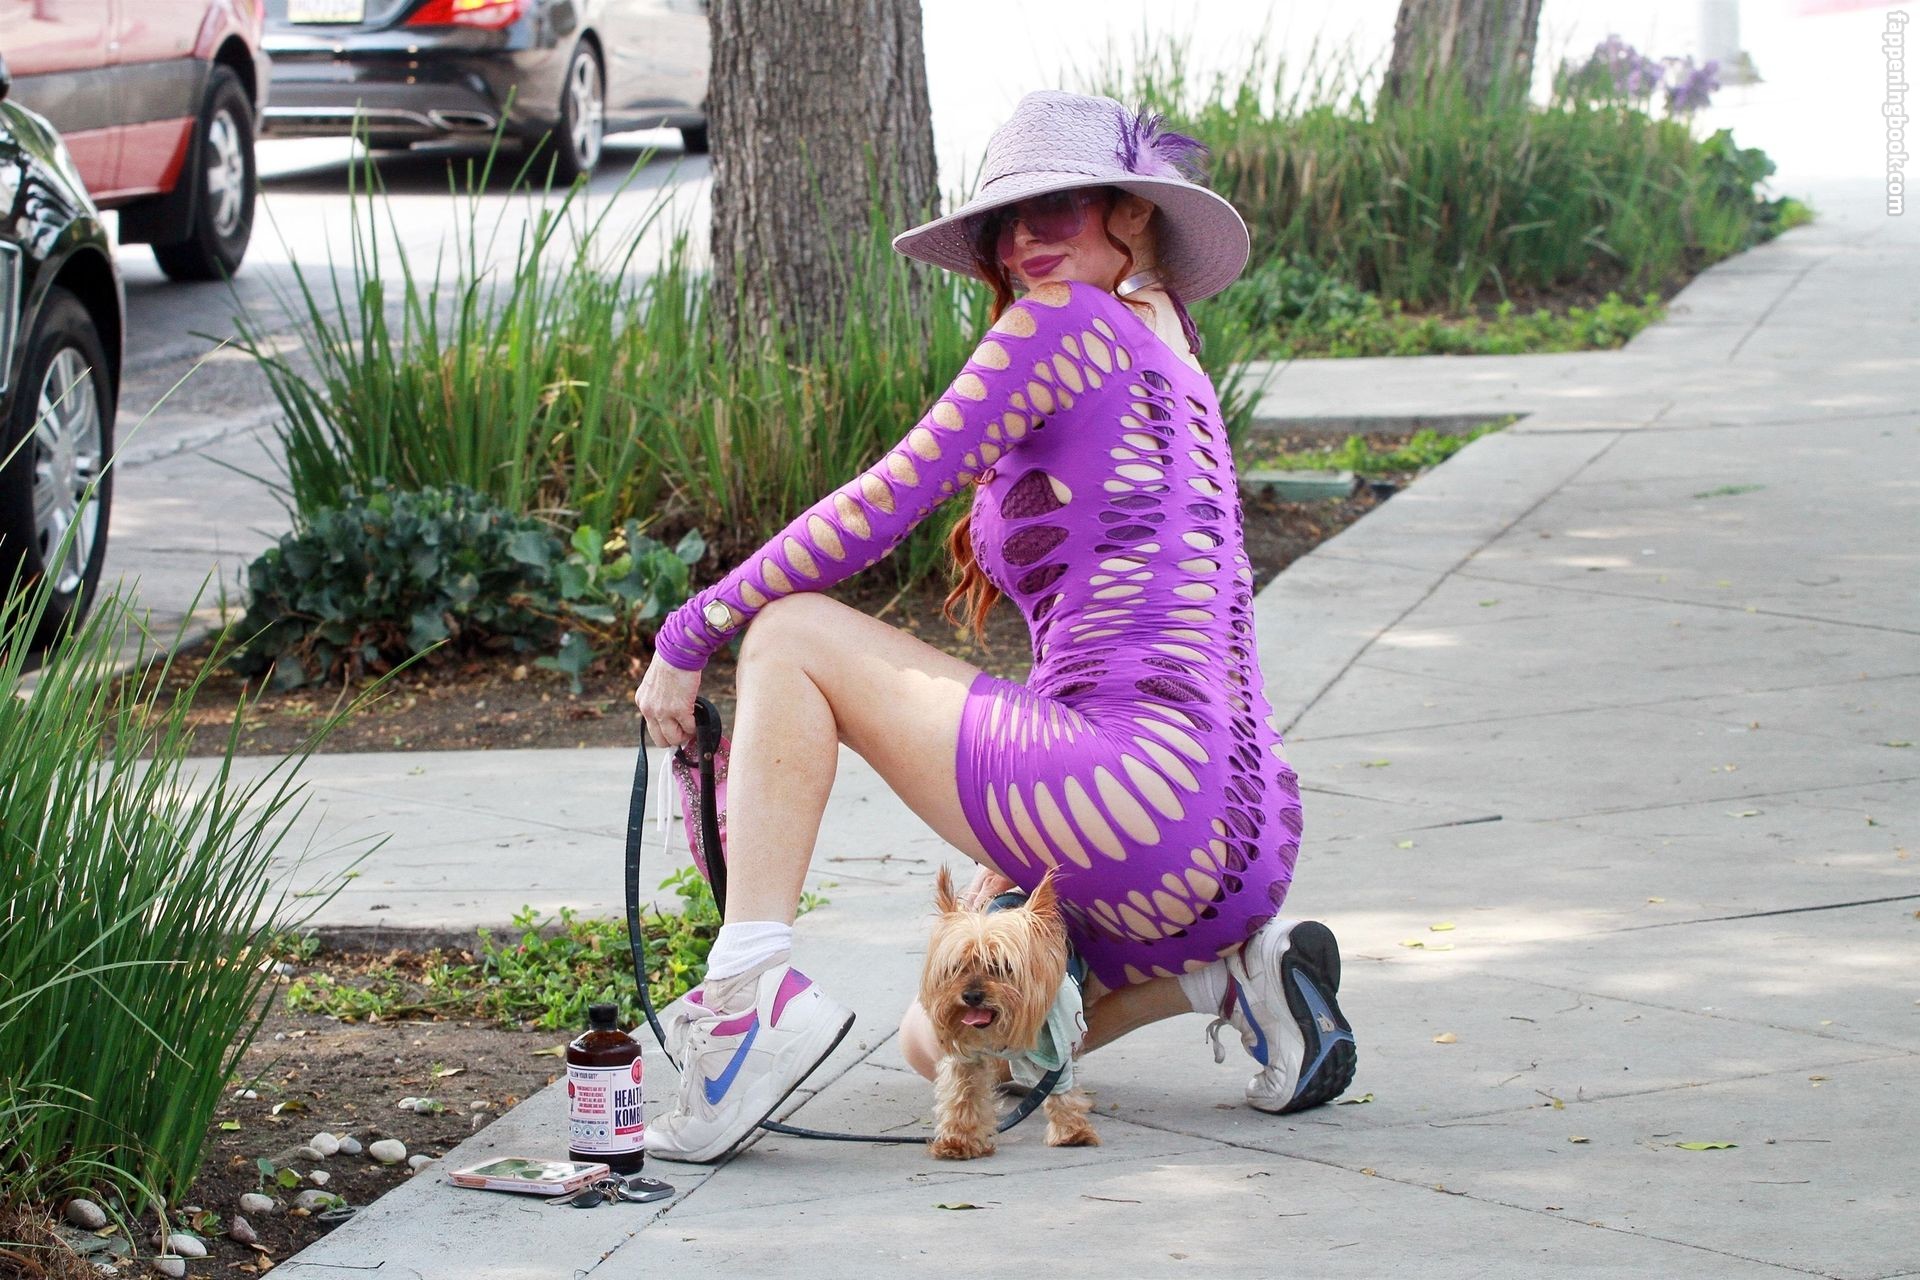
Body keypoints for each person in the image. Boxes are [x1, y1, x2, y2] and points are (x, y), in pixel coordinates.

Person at [631, 89, 1357, 1164]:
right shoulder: (1167, 338)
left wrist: (691, 632)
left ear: (1135, 212)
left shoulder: (1062, 322)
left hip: (1134, 788)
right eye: (1003, 220)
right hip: (1240, 828)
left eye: (1054, 206)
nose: (1022, 240)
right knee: (938, 1043)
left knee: (788, 632)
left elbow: (884, 502)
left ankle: (746, 1000)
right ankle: (1233, 979)